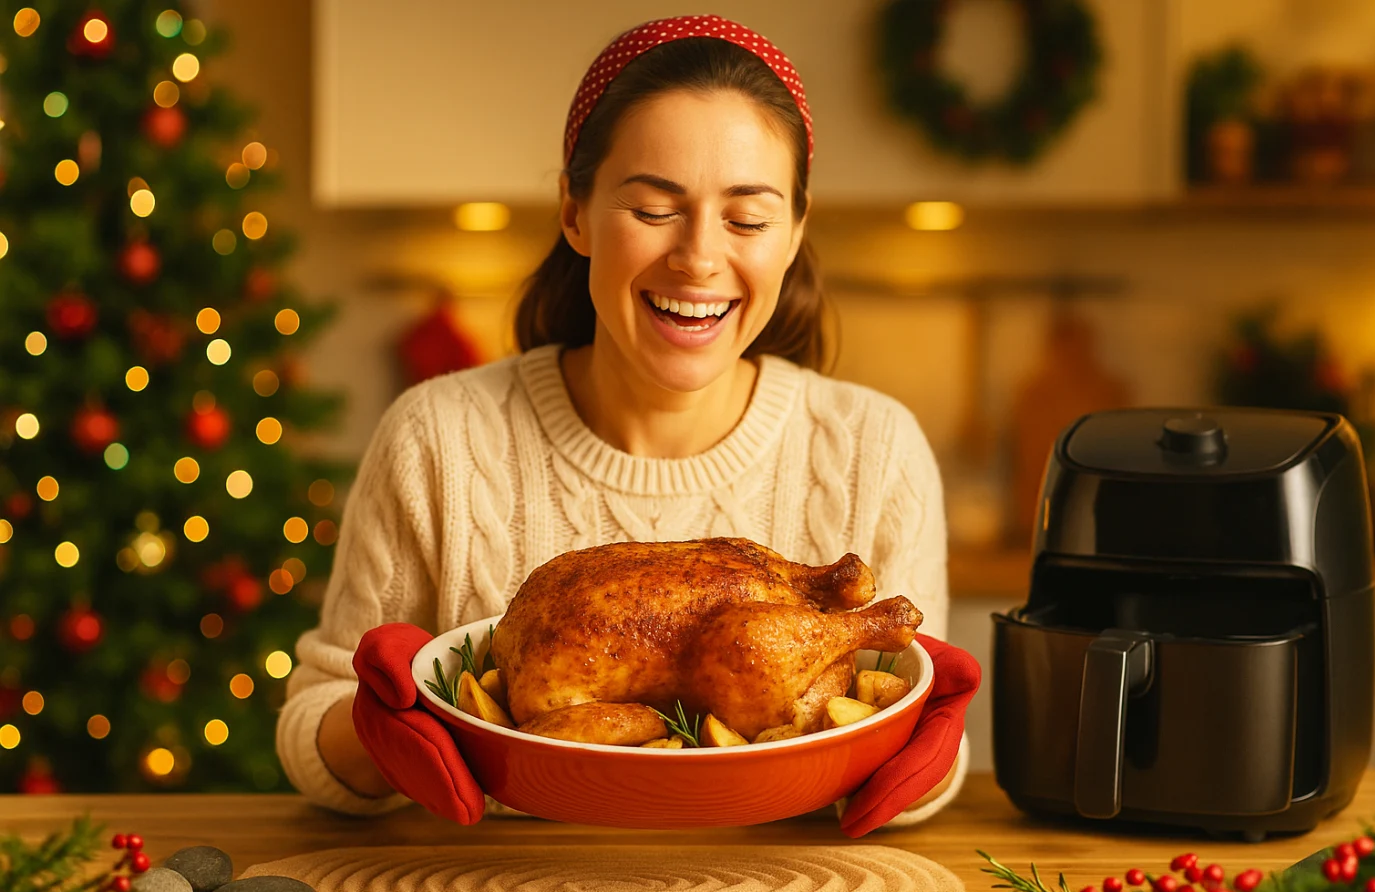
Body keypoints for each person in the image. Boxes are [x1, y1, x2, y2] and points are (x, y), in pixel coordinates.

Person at [276, 14, 977, 835]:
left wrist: (929, 751)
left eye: (747, 219)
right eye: (653, 209)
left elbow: (900, 731)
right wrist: (374, 728)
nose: (698, 258)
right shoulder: (440, 437)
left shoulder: (871, 449)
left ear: (794, 233)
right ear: (574, 212)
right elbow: (313, 719)